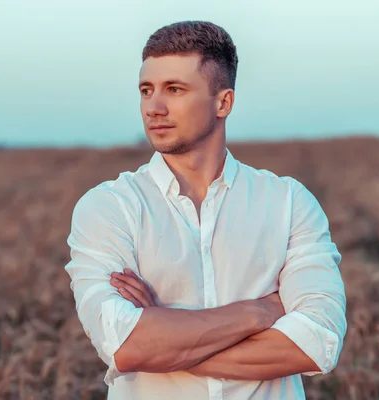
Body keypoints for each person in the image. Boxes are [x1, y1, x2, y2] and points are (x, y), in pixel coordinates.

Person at [64, 20, 346, 399]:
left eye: (174, 89)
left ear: (223, 102)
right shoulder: (108, 208)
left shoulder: (288, 203)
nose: (154, 107)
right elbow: (124, 346)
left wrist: (165, 336)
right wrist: (258, 313)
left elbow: (318, 342)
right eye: (146, 90)